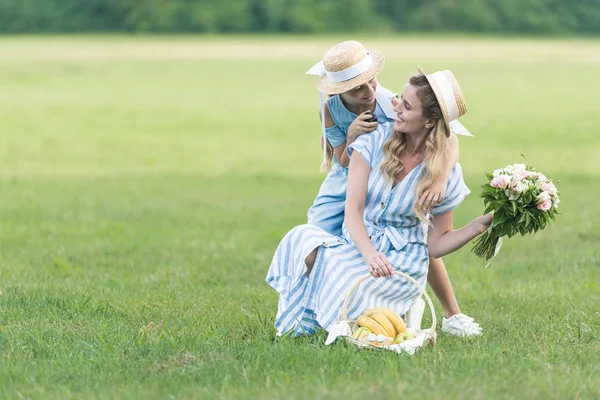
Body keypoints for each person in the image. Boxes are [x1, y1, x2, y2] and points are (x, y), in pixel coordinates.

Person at [266, 66, 493, 336]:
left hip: (401, 262)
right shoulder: (373, 141)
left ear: (429, 121)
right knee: (300, 237)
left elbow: (435, 244)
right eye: (399, 98)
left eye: (406, 106)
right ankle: (303, 325)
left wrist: (479, 225)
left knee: (345, 280)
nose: (395, 107)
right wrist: (369, 254)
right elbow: (352, 211)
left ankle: (406, 311)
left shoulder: (445, 174)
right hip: (360, 248)